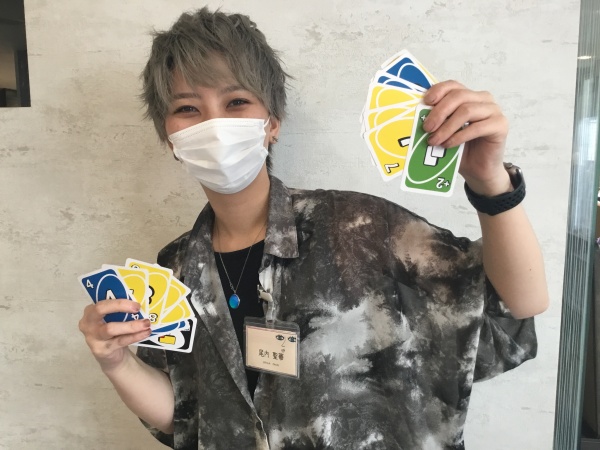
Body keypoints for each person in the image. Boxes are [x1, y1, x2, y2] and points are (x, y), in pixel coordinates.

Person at [78, 7, 549, 450]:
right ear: (169, 137)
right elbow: (185, 416)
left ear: (272, 124)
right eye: (187, 108)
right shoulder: (174, 269)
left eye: (236, 101)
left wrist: (490, 181)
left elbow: (516, 307)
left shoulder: (361, 230)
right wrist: (114, 361)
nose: (214, 124)